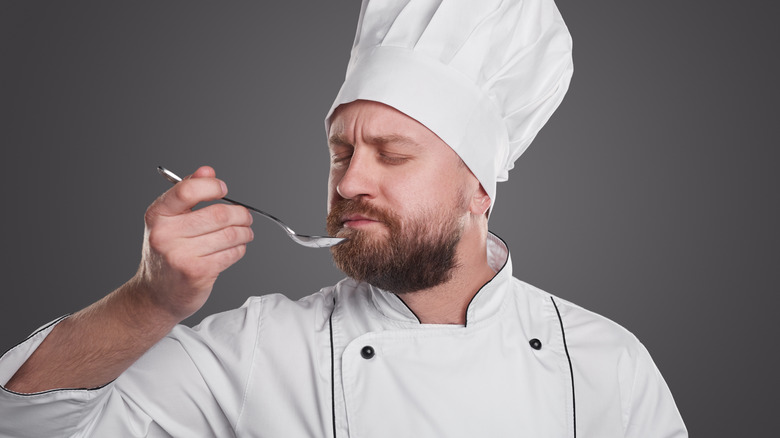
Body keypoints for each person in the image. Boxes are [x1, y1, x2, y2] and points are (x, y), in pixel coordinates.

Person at [0, 0, 687, 436]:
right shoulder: (259, 351)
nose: (351, 179)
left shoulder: (606, 364)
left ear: (479, 190)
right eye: (341, 152)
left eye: (392, 155)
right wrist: (148, 303)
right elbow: (27, 425)